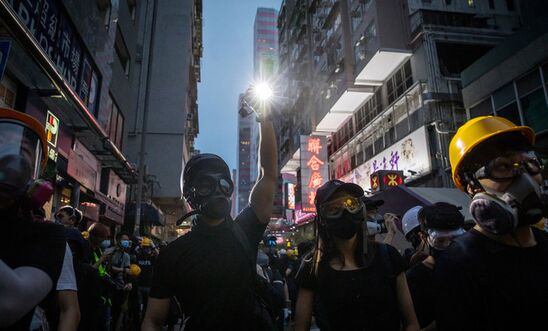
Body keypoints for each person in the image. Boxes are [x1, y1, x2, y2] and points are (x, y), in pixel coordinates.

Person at [142, 114, 277, 330]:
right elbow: (153, 320)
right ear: (191, 196)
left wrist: (265, 118)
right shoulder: (172, 254)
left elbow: (269, 174)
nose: (218, 191)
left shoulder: (245, 231)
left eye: (223, 183)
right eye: (206, 184)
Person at [434, 116, 548, 330]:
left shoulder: (545, 243)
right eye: (504, 166)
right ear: (471, 185)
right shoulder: (458, 264)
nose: (526, 179)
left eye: (530, 163)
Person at [294, 180, 419, 331]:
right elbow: (301, 326)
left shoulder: (388, 256)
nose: (345, 211)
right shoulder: (312, 266)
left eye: (350, 203)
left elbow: (411, 323)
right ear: (322, 218)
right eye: (334, 209)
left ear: (361, 209)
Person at [0, 108, 66, 329]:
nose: (10, 158)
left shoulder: (46, 235)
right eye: (1, 143)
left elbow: (9, 303)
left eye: (23, 151)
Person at [405, 202, 466, 329]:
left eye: (456, 239)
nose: (450, 245)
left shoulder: (472, 266)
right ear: (424, 237)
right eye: (441, 241)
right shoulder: (415, 279)